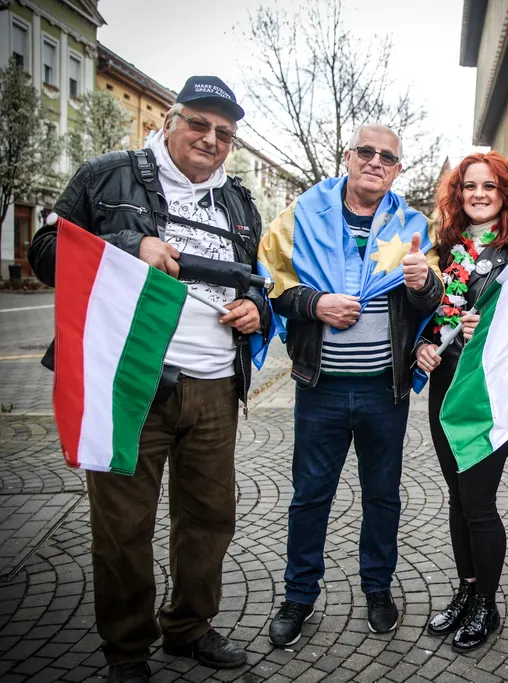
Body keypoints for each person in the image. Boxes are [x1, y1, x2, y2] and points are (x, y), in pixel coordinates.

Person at [28, 76, 270, 683]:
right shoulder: (107, 174)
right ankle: (128, 650)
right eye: (199, 124)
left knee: (211, 517)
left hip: (216, 382)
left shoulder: (239, 202)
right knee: (123, 525)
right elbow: (45, 252)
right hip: (128, 378)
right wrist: (129, 244)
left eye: (224, 132)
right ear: (169, 119)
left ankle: (189, 627)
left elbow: (256, 282)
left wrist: (256, 311)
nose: (211, 140)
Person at [263, 124, 444, 648]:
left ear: (397, 169)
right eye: (366, 152)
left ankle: (378, 589)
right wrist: (314, 304)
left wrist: (420, 282)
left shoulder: (412, 226)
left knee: (383, 498)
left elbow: (433, 298)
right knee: (309, 496)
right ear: (348, 156)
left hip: (382, 391)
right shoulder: (302, 216)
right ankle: (299, 595)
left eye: (387, 157)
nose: (375, 162)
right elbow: (271, 283)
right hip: (320, 387)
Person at [413, 152, 508, 651]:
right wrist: (422, 344)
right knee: (458, 499)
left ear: (505, 193)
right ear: (458, 195)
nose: (478, 194)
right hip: (445, 388)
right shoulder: (445, 249)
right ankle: (466, 591)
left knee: (479, 503)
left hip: (489, 391)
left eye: (489, 186)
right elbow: (425, 314)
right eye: (469, 187)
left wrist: (488, 330)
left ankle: (488, 603)